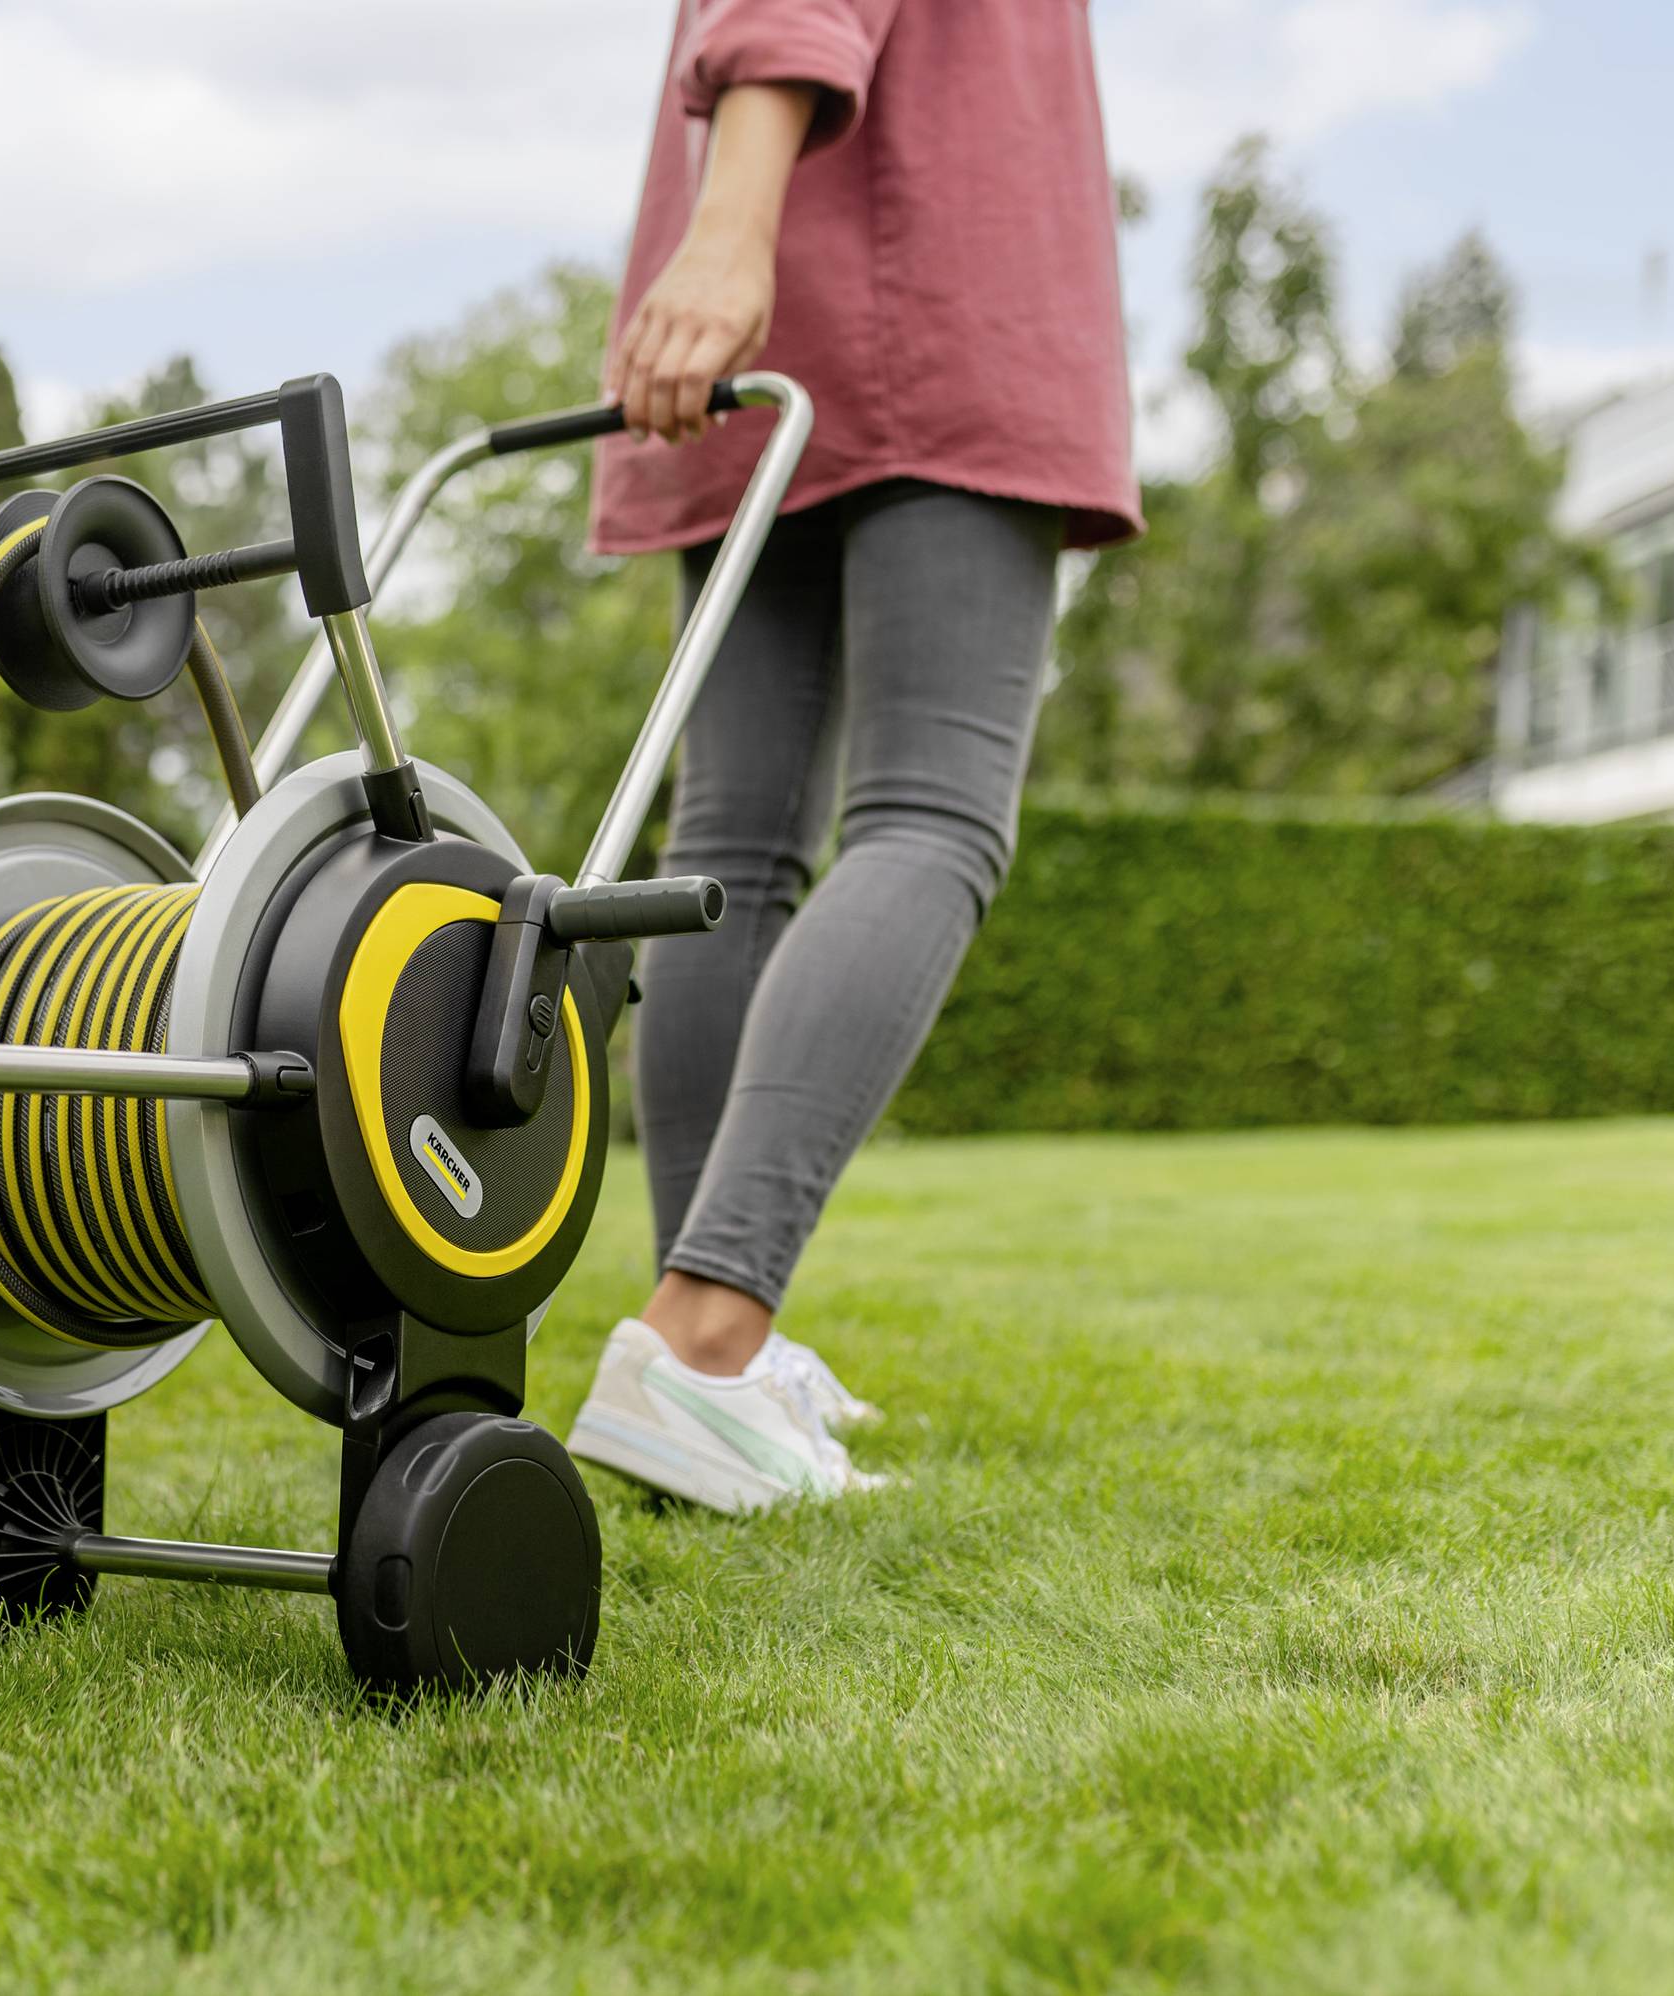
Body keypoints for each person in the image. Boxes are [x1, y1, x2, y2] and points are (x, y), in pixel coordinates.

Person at [563, 0, 1141, 1512]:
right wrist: (732, 228)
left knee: (733, 848)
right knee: (933, 818)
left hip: (791, 306)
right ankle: (705, 1336)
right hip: (938, 287)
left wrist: (736, 235)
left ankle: (704, 1377)